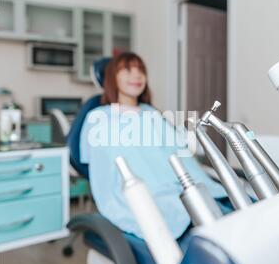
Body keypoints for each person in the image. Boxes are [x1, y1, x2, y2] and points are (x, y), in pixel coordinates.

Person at [80, 52, 230, 240]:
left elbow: (176, 148)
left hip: (184, 184)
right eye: (127, 70)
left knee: (226, 209)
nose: (136, 76)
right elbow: (104, 165)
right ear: (112, 77)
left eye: (140, 70)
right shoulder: (99, 117)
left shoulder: (152, 113)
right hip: (147, 190)